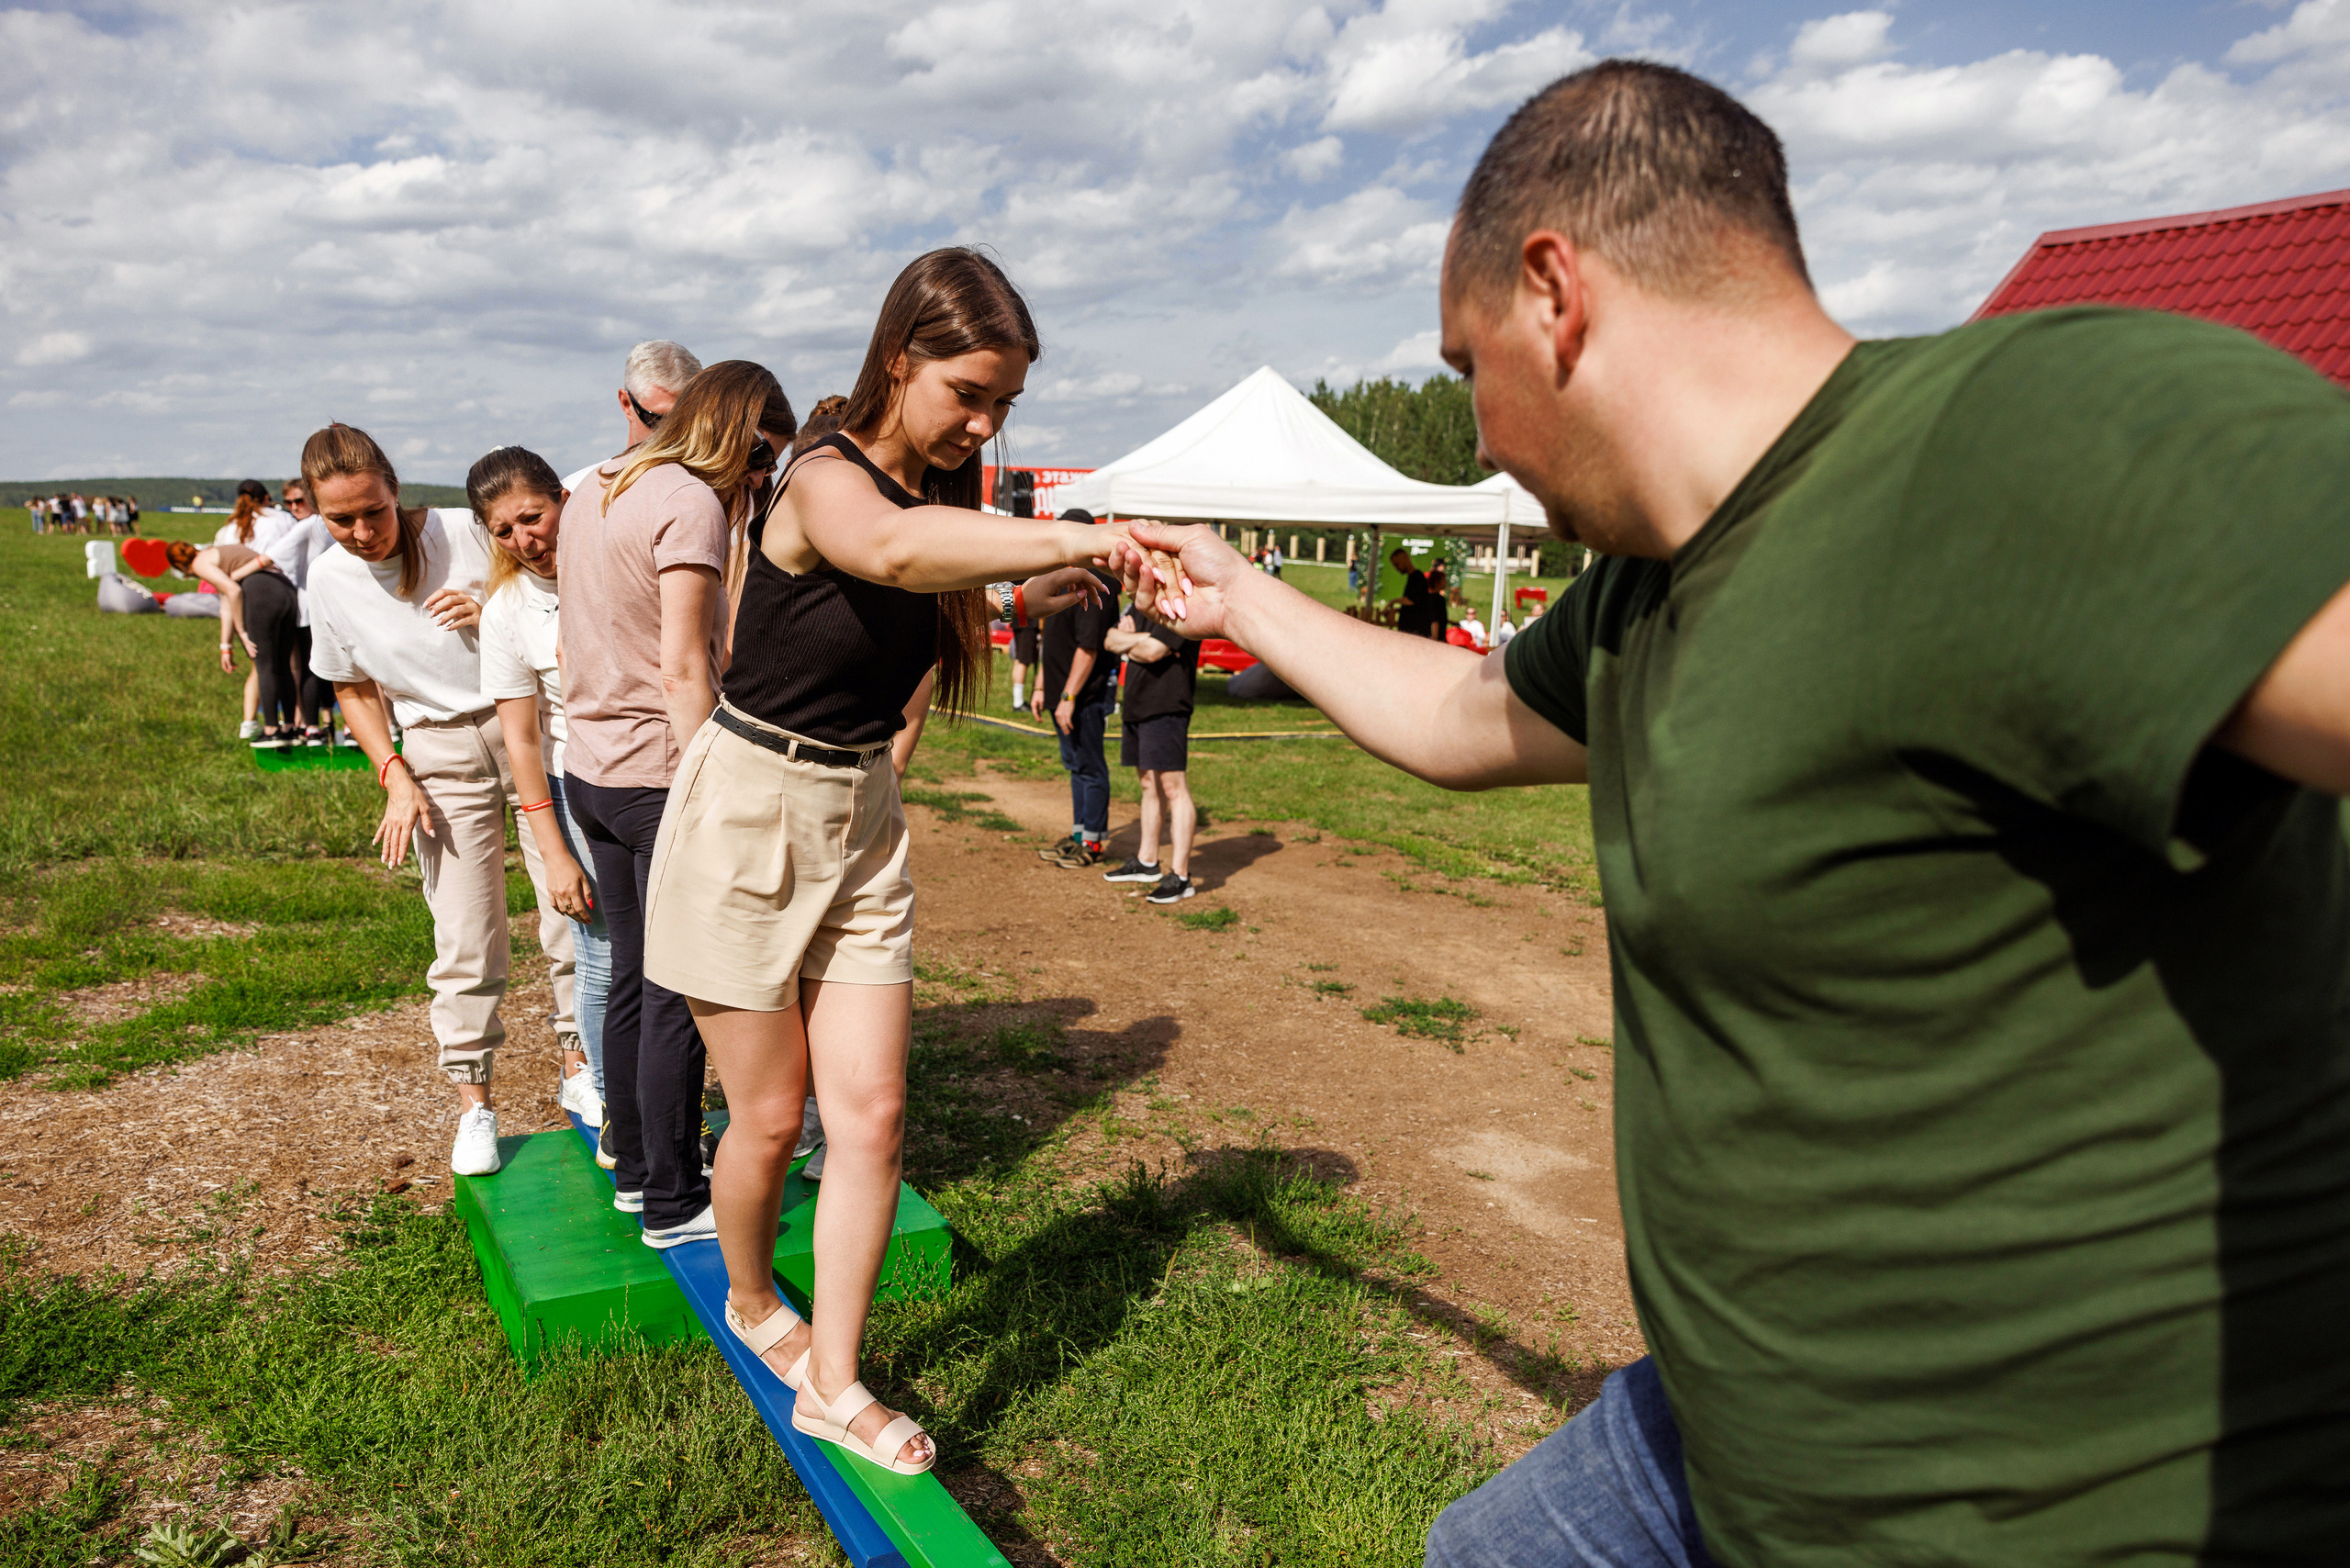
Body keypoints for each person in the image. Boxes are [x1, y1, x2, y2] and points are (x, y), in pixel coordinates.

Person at [1107, 59, 2350, 1568]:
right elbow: (1453, 716)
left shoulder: (2024, 435)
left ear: (1554, 294)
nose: (1478, 436)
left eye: (1466, 366)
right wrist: (1238, 591)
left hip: (2035, 1511)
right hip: (1718, 1446)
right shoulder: (1646, 592)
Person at [643, 248, 1118, 1477]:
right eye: (968, 393)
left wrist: (1032, 588)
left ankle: (834, 1379)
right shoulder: (820, 472)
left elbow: (908, 591)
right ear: (899, 358)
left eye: (1005, 403)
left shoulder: (926, 496)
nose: (985, 424)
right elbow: (894, 554)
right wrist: (1090, 530)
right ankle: (754, 1297)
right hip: (750, 807)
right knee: (767, 1117)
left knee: (874, 1113)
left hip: (860, 810)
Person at [301, 422, 577, 1178]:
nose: (363, 532)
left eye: (375, 511)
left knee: (572, 910)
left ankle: (581, 1068)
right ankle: (475, 1105)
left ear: (398, 491)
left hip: (529, 728)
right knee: (465, 936)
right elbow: (352, 688)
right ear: (318, 514)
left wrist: (489, 612)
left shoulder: (467, 530)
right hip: (436, 754)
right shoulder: (328, 580)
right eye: (341, 519)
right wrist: (394, 773)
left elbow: (545, 596)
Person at [559, 361, 789, 1240]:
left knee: (630, 976)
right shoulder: (688, 502)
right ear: (735, 431)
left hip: (591, 770)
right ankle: (673, 1200)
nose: (761, 479)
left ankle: (635, 1169)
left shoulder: (596, 485)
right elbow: (685, 666)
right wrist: (711, 792)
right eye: (762, 457)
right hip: (658, 776)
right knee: (678, 995)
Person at [466, 445, 607, 1132]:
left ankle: (675, 1098)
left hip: (660, 776)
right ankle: (614, 1102)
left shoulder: (615, 569)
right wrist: (554, 852)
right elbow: (521, 742)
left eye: (532, 517)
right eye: (504, 530)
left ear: (563, 502)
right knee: (604, 949)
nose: (525, 539)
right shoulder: (506, 613)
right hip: (579, 787)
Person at [1033, 508, 1120, 868]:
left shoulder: (1095, 583)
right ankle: (1080, 835)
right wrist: (1041, 687)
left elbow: (1088, 648)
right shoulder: (1063, 578)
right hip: (1062, 694)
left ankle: (1093, 843)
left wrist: (1068, 697)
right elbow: (1051, 641)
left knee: (1090, 768)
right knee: (1076, 767)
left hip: (1084, 696)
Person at [1100, 599, 1201, 902]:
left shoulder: (1180, 606)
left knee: (1173, 787)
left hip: (1167, 704)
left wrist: (1131, 642)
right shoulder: (1141, 604)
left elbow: (1153, 651)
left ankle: (1181, 877)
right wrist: (1140, 640)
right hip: (1137, 702)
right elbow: (1109, 640)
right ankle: (1147, 862)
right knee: (1148, 784)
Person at [163, 537, 299, 745]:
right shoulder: (215, 554)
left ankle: (272, 730)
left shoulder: (200, 563)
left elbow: (234, 592)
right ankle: (290, 728)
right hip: (285, 591)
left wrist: (242, 632)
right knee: (282, 664)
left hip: (261, 594)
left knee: (264, 665)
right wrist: (225, 646)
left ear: (180, 566)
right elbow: (226, 604)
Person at [565, 340, 703, 492]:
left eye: (687, 420)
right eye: (659, 420)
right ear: (626, 404)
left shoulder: (714, 491)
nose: (673, 434)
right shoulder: (576, 490)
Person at [1391, 547, 1436, 637]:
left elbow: (1412, 600)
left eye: (1397, 564)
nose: (1396, 568)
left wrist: (1392, 602)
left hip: (1415, 632)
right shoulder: (1413, 577)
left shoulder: (1417, 577)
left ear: (1404, 558)